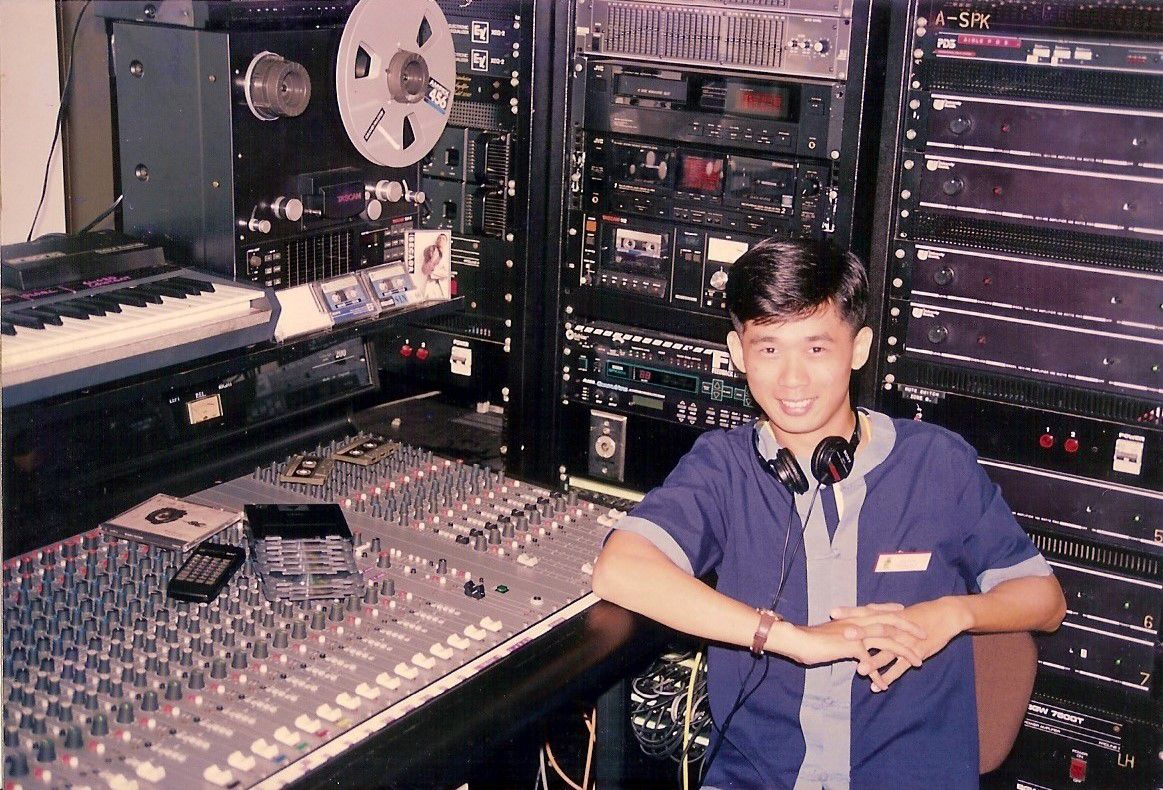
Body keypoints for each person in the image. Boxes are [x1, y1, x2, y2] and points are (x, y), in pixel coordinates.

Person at [591, 238, 1066, 788]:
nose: (791, 380)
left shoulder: (937, 462)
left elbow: (1045, 601)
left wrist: (953, 614)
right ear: (738, 352)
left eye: (816, 349)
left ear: (858, 348)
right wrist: (794, 639)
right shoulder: (722, 466)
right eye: (768, 349)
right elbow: (619, 568)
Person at [417, 233, 450, 300]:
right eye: (439, 238)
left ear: (446, 242)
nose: (440, 240)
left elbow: (447, 273)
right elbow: (424, 271)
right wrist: (432, 259)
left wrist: (432, 272)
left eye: (443, 239)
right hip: (430, 285)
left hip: (443, 285)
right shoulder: (431, 251)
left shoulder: (448, 256)